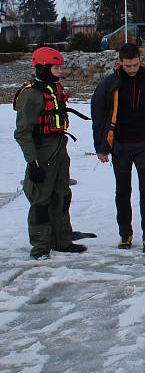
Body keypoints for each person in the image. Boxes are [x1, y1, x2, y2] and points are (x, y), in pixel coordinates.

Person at [91, 43, 145, 253]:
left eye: (135, 64)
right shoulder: (108, 85)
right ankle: (125, 234)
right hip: (120, 146)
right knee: (122, 191)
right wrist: (101, 147)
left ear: (140, 60)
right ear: (119, 62)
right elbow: (99, 118)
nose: (132, 69)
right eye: (128, 66)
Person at [13, 47, 87, 260]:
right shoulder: (31, 95)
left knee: (62, 196)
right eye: (56, 67)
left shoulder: (54, 89)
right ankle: (40, 247)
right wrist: (33, 162)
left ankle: (62, 240)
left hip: (59, 148)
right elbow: (23, 133)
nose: (60, 71)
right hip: (42, 153)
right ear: (44, 68)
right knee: (41, 200)